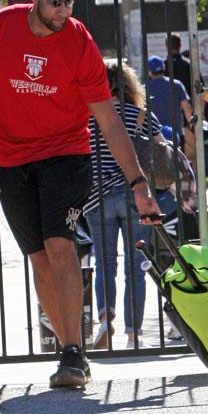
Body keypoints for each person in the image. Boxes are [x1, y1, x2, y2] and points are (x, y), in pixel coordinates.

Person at [0, 0, 160, 389]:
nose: (64, 10)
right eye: (56, 2)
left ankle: (72, 353)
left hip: (65, 153)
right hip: (10, 158)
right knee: (38, 256)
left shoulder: (79, 40)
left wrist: (139, 183)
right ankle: (69, 343)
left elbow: (108, 120)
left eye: (70, 2)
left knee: (60, 243)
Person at [84, 63, 175, 349]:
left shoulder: (88, 117)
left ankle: (104, 318)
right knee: (136, 266)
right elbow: (164, 151)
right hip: (136, 193)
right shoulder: (140, 116)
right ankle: (133, 333)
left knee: (104, 263)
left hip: (96, 198)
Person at [148, 55, 193, 147]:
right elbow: (186, 107)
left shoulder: (144, 88)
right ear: (163, 68)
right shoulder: (176, 85)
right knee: (178, 160)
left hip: (155, 135)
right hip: (176, 134)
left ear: (149, 71)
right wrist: (192, 126)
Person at [165, 33, 192, 98]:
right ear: (180, 45)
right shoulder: (188, 65)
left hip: (168, 105)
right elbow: (200, 86)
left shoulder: (163, 66)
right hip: (187, 105)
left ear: (166, 46)